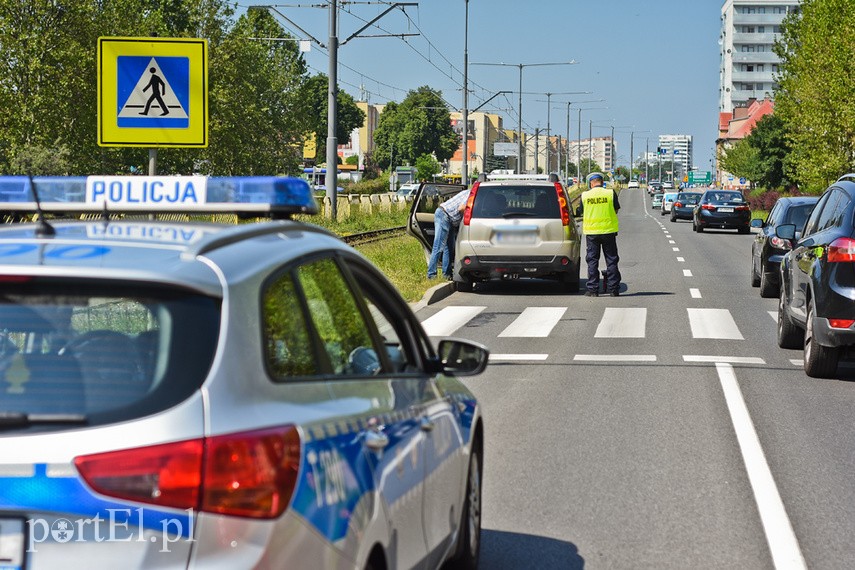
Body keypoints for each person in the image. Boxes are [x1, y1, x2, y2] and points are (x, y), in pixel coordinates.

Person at [577, 172, 621, 296]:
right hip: (608, 231)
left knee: (592, 261)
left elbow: (581, 212)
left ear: (591, 183)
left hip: (592, 233)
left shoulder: (585, 196)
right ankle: (613, 289)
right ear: (602, 182)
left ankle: (593, 290)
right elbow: (616, 209)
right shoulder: (610, 193)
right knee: (611, 260)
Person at [427, 188, 471, 280]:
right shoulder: (470, 194)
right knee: (438, 247)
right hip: (444, 215)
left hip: (449, 218)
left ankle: (447, 275)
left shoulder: (467, 192)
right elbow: (461, 208)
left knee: (449, 248)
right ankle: (431, 275)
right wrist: (466, 221)